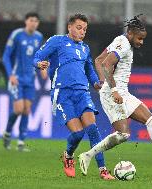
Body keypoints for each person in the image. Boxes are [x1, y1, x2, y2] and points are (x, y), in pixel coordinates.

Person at [78, 15, 152, 176]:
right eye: (139, 38)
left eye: (143, 39)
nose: (141, 42)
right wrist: (112, 90)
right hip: (114, 93)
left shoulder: (120, 40)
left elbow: (98, 60)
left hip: (121, 92)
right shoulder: (123, 44)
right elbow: (105, 63)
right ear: (130, 33)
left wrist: (102, 81)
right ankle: (87, 155)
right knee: (123, 135)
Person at [34, 14, 114, 180]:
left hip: (82, 93)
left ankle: (103, 170)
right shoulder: (57, 41)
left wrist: (96, 83)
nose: (82, 32)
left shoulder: (85, 48)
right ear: (69, 27)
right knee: (78, 134)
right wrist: (38, 64)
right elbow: (37, 56)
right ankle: (68, 155)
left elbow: (89, 69)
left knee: (92, 129)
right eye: (79, 28)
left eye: (85, 29)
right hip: (62, 93)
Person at [2, 12, 43, 152]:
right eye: (31, 20)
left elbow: (37, 57)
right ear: (26, 21)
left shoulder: (38, 37)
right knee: (18, 109)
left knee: (26, 110)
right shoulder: (17, 35)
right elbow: (6, 56)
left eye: (36, 21)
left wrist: (41, 68)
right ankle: (7, 133)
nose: (34, 23)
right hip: (17, 78)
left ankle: (20, 142)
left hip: (30, 80)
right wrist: (10, 75)